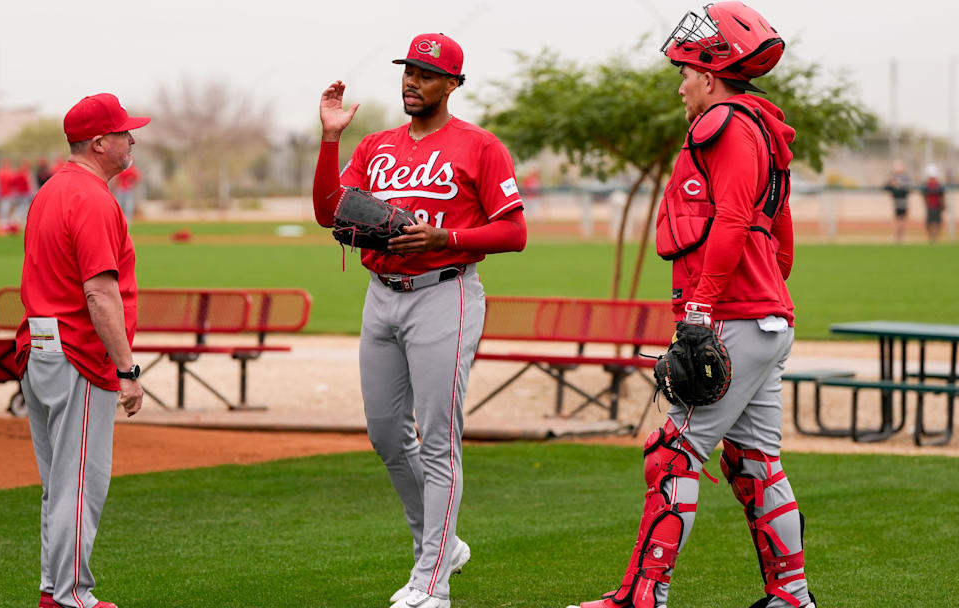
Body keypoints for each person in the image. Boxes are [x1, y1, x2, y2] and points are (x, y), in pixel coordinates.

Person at [567, 4, 816, 608]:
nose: (681, 86)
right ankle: (792, 597)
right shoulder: (763, 127)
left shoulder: (725, 121)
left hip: (732, 315)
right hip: (763, 316)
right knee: (755, 462)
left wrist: (703, 308)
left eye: (685, 73)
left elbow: (731, 218)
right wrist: (766, 306)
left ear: (711, 75)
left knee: (673, 453)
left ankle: (642, 596)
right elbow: (780, 238)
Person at [312, 33, 527, 608]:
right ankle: (443, 544)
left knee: (439, 440)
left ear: (453, 84)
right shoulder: (378, 145)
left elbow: (514, 231)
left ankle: (432, 580)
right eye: (409, 70)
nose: (413, 81)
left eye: (428, 74)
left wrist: (446, 237)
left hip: (445, 293)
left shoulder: (480, 147)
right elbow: (327, 211)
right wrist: (331, 141)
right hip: (381, 294)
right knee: (385, 432)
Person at [16, 92, 149, 608]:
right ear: (99, 142)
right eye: (123, 133)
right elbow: (99, 292)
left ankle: (55, 591)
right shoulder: (92, 198)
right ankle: (73, 596)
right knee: (79, 483)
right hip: (77, 355)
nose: (131, 139)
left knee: (59, 483)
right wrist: (128, 369)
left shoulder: (50, 190)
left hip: (40, 347)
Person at [884, 160, 912, 243]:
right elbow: (886, 186)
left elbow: (907, 188)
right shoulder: (893, 177)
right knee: (898, 219)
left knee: (902, 219)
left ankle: (900, 236)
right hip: (896, 201)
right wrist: (892, 184)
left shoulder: (905, 178)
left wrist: (897, 185)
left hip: (903, 201)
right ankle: (897, 236)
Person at [921, 164, 946, 242]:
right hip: (930, 206)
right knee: (929, 222)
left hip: (937, 206)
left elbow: (942, 195)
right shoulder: (926, 185)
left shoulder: (939, 185)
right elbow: (924, 195)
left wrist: (942, 204)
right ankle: (931, 237)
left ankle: (936, 238)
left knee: (938, 222)